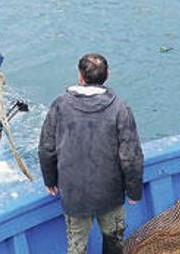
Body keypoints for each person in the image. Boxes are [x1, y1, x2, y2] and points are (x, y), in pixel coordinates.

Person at [39, 53, 144, 254]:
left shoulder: (60, 105)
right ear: (107, 75)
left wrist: (49, 180)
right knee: (114, 242)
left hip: (74, 194)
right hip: (111, 192)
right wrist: (134, 191)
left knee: (76, 246)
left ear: (80, 76)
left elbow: (46, 148)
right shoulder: (120, 108)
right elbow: (130, 156)